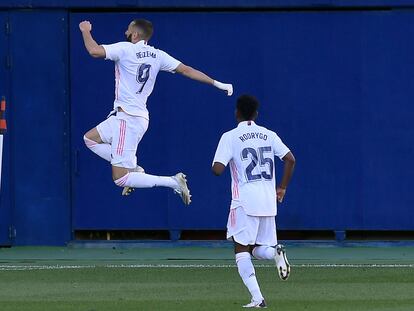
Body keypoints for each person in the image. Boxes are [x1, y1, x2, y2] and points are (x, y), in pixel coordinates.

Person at [79, 19, 233, 205]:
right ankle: (134, 168)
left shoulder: (125, 49)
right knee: (90, 139)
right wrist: (217, 83)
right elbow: (187, 70)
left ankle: (172, 182)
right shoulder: (157, 55)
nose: (125, 32)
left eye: (128, 30)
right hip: (132, 117)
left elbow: (94, 51)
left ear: (135, 35)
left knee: (120, 178)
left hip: (127, 120)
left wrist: (85, 30)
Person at [212, 94, 295, 308]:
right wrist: (282, 187)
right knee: (259, 249)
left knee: (241, 250)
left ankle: (258, 298)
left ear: (236, 112)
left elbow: (217, 170)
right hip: (269, 201)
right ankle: (276, 253)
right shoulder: (269, 134)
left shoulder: (230, 136)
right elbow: (290, 159)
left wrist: (225, 160)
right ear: (256, 114)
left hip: (244, 201)